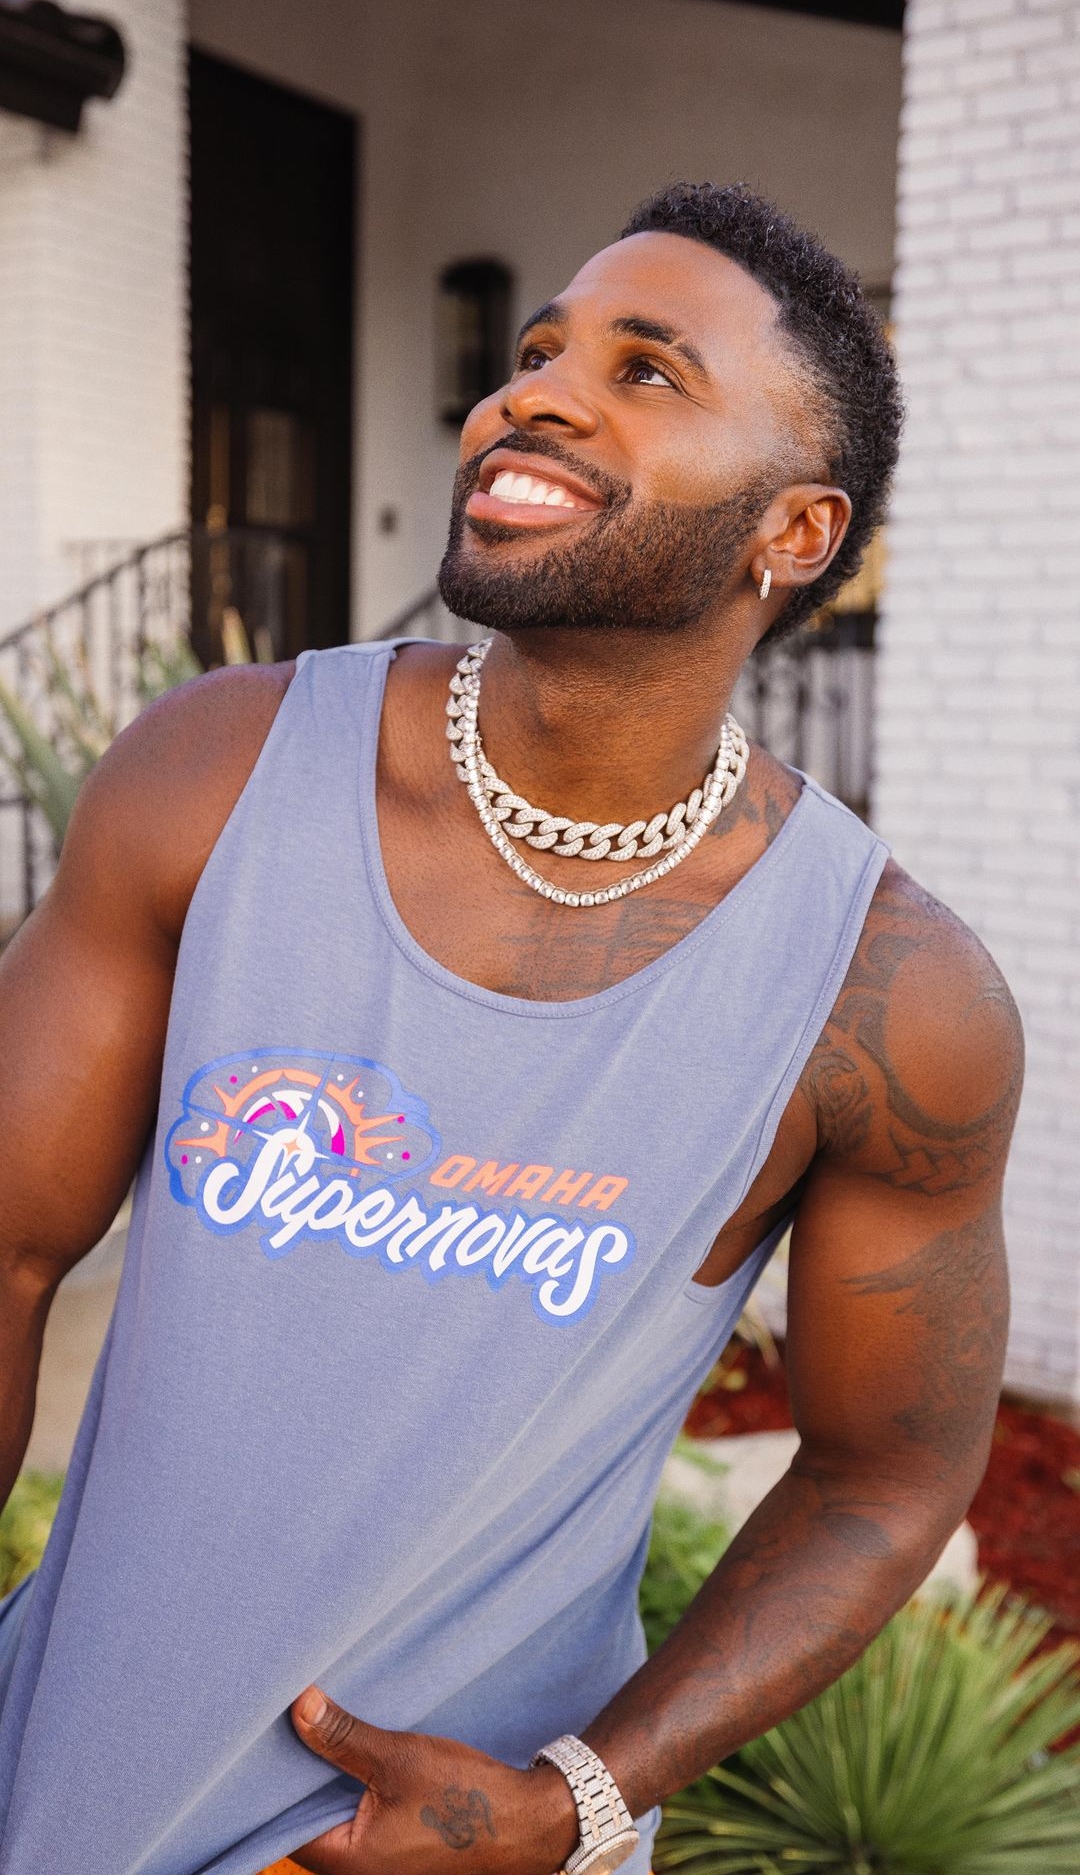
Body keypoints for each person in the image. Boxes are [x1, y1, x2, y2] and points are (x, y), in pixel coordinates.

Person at [0, 182, 1021, 1875]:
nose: (533, 395)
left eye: (646, 371)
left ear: (793, 530)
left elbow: (885, 1478)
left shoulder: (889, 996)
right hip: (61, 1774)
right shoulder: (215, 775)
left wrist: (575, 1805)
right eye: (540, 351)